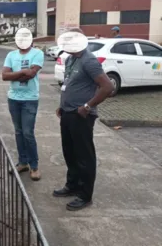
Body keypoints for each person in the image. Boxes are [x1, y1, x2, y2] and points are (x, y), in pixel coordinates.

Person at [54, 28, 114, 211]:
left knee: (84, 156)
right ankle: (72, 185)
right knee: (69, 152)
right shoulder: (72, 58)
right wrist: (62, 105)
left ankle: (85, 195)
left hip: (81, 115)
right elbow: (70, 84)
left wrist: (88, 106)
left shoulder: (89, 61)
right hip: (68, 113)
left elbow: (107, 87)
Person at [2, 29, 44, 181]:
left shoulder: (37, 53)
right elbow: (4, 76)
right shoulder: (11, 55)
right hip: (13, 98)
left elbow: (32, 74)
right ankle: (23, 162)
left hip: (30, 99)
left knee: (28, 132)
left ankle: (34, 166)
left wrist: (15, 74)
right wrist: (23, 72)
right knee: (19, 132)